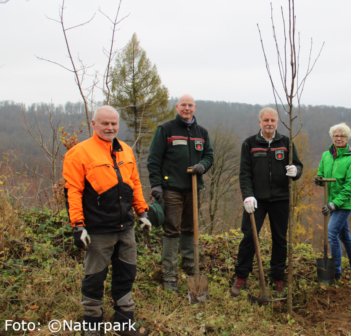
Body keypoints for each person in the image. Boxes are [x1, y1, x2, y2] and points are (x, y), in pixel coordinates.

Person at [63, 106, 151, 336]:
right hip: (98, 228)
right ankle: (92, 326)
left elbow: (135, 183)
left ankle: (124, 322)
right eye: (105, 123)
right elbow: (73, 191)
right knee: (95, 277)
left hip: (126, 227)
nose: (110, 127)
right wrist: (78, 226)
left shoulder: (126, 151)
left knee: (126, 273)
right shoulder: (79, 153)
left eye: (114, 123)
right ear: (94, 124)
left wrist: (142, 212)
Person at [230, 107, 303, 297]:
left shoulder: (286, 142)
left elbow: (298, 165)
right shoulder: (250, 144)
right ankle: (241, 276)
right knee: (249, 238)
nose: (269, 123)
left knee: (280, 239)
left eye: (273, 120)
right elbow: (244, 173)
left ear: (277, 122)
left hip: (281, 199)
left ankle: (277, 277)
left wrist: (296, 171)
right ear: (259, 122)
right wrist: (247, 194)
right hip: (256, 201)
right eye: (266, 120)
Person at [147, 94, 214, 293]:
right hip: (171, 189)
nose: (186, 108)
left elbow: (209, 155)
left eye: (190, 105)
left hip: (193, 189)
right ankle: (169, 274)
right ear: (177, 107)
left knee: (189, 228)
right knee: (171, 230)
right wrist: (156, 185)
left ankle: (190, 266)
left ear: (195, 108)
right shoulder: (165, 129)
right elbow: (153, 159)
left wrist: (203, 165)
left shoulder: (201, 132)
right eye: (183, 105)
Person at [314, 122, 351, 280]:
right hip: (331, 200)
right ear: (332, 137)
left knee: (332, 233)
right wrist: (319, 180)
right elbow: (321, 174)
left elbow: (350, 185)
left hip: (344, 202)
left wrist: (335, 204)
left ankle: (336, 271)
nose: (338, 138)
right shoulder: (326, 155)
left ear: (347, 138)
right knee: (344, 236)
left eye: (342, 136)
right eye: (336, 135)